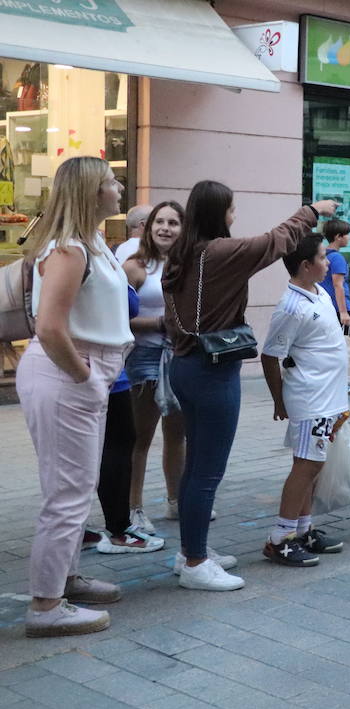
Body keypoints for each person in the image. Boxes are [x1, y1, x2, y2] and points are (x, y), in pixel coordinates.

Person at [163, 181, 336, 591]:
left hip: (185, 366)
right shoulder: (219, 253)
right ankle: (195, 561)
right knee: (207, 471)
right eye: (232, 208)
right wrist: (313, 211)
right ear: (217, 212)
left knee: (195, 468)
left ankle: (191, 548)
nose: (234, 215)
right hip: (211, 371)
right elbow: (278, 241)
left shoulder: (184, 254)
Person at [19, 157, 134, 637]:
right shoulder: (70, 250)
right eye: (110, 181)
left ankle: (64, 580)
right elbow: (48, 327)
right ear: (91, 193)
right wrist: (85, 377)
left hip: (83, 375)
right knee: (67, 494)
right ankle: (46, 605)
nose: (118, 186)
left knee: (74, 486)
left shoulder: (91, 243)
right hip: (70, 376)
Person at [260, 233, 349, 567]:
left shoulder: (319, 292)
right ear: (305, 265)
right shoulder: (291, 307)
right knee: (306, 464)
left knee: (315, 463)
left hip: (328, 398)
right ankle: (279, 538)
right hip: (310, 399)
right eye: (323, 258)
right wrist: (278, 400)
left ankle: (302, 528)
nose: (328, 263)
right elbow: (270, 355)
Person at [122, 200, 186, 534]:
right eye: (159, 222)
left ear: (182, 229)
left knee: (177, 434)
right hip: (145, 357)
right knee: (141, 437)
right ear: (148, 228)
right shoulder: (135, 267)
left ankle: (176, 501)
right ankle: (134, 508)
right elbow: (119, 319)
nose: (165, 228)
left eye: (173, 223)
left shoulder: (189, 265)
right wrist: (160, 324)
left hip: (181, 356)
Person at [94, 283, 165, 556]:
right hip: (93, 370)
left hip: (113, 369)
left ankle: (118, 527)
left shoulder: (100, 256)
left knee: (121, 443)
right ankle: (116, 530)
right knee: (98, 453)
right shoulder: (73, 254)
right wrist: (83, 373)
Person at [321, 218, 350, 328]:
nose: (349, 238)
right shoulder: (337, 258)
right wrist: (343, 312)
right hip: (337, 309)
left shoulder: (322, 255)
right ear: (338, 237)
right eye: (347, 234)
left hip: (325, 307)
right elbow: (338, 285)